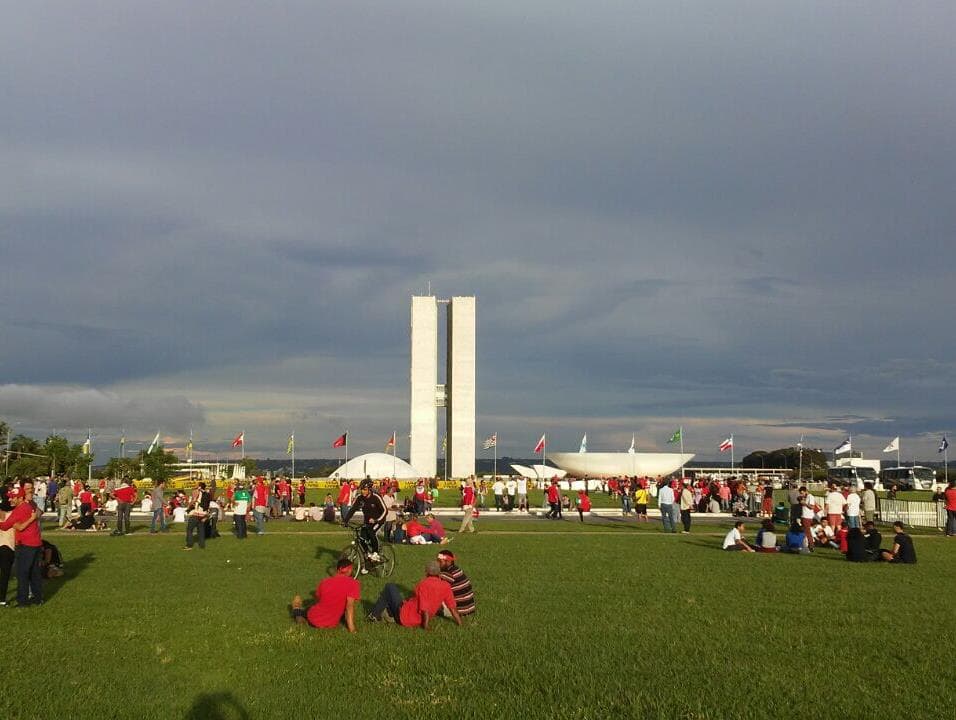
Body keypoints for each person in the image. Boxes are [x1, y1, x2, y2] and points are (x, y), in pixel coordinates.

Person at [367, 560, 462, 629]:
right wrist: (460, 623)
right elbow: (452, 607)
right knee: (391, 598)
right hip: (418, 618)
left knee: (389, 587)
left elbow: (424, 607)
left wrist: (426, 626)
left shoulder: (423, 584)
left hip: (405, 616)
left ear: (427, 572)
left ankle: (374, 615)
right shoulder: (446, 586)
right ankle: (382, 614)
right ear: (439, 572)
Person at [0, 481, 44, 606]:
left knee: (22, 573)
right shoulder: (29, 506)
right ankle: (38, 599)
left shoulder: (19, 510)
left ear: (20, 498)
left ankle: (22, 601)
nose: (10, 500)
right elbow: (38, 514)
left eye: (12, 498)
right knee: (34, 572)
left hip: (25, 545)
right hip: (36, 543)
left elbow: (5, 526)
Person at [291, 557, 361, 632]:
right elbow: (349, 606)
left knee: (308, 609)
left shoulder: (324, 582)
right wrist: (352, 629)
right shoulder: (354, 584)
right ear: (344, 569)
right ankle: (297, 610)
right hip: (331, 623)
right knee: (309, 609)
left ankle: (297, 610)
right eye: (351, 569)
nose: (352, 571)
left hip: (313, 619)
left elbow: (318, 600)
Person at [342, 479, 388, 560]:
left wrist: (376, 520)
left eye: (365, 489)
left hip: (378, 520)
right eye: (361, 489)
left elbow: (385, 510)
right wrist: (345, 520)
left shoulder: (376, 497)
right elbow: (352, 509)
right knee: (361, 538)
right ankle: (367, 555)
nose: (363, 491)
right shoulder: (360, 498)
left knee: (371, 532)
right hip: (367, 521)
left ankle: (375, 553)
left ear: (369, 489)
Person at [437, 549, 475, 616]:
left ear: (447, 562)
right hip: (469, 607)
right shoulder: (456, 569)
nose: (438, 564)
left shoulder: (447, 574)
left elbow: (437, 591)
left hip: (459, 610)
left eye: (440, 562)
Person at [184, 483, 210, 550]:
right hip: (203, 514)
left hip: (197, 513)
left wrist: (188, 507)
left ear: (200, 487)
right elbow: (207, 505)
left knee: (189, 530)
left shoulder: (197, 492)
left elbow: (194, 501)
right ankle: (202, 545)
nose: (195, 486)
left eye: (197, 485)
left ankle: (189, 545)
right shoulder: (207, 494)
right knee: (201, 530)